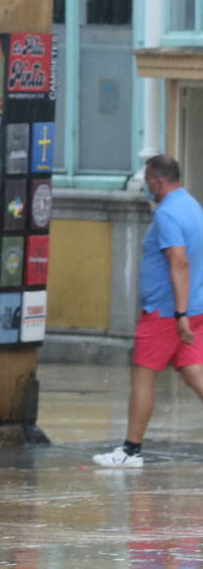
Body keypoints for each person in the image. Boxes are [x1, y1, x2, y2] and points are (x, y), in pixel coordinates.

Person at [94, 155, 203, 468]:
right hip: (195, 307)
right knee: (196, 373)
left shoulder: (168, 214)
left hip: (167, 313)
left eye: (147, 181)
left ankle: (130, 451)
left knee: (142, 378)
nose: (147, 188)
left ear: (158, 180)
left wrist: (180, 313)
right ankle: (130, 449)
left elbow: (179, 261)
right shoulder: (193, 206)